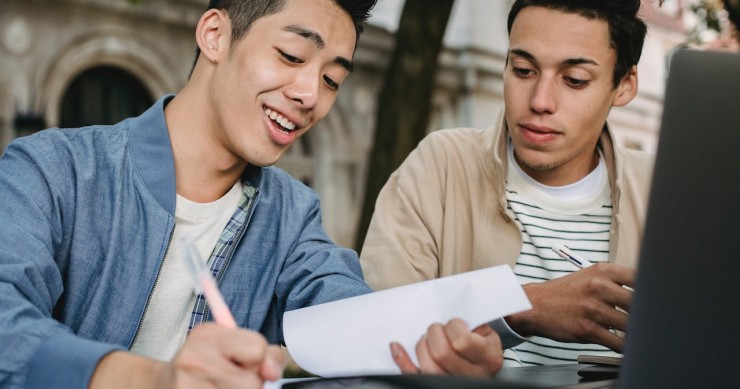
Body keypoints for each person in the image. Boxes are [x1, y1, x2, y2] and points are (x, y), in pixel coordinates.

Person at [0, 1, 503, 388]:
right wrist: (156, 379)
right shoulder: (52, 170)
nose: (311, 95)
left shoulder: (293, 214)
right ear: (215, 35)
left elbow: (346, 311)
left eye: (331, 80)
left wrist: (426, 343)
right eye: (291, 56)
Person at [360, 0, 654, 367]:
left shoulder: (661, 190)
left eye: (574, 80)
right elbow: (375, 331)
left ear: (624, 85)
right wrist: (521, 307)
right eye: (523, 70)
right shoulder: (442, 165)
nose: (540, 101)